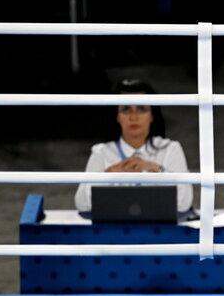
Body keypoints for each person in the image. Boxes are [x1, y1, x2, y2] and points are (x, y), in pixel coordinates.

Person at [75, 78, 193, 213]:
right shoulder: (101, 152)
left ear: (152, 115)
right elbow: (82, 204)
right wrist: (108, 175)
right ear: (117, 116)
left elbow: (184, 203)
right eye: (126, 109)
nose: (134, 117)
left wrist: (155, 169)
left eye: (142, 109)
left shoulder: (170, 149)